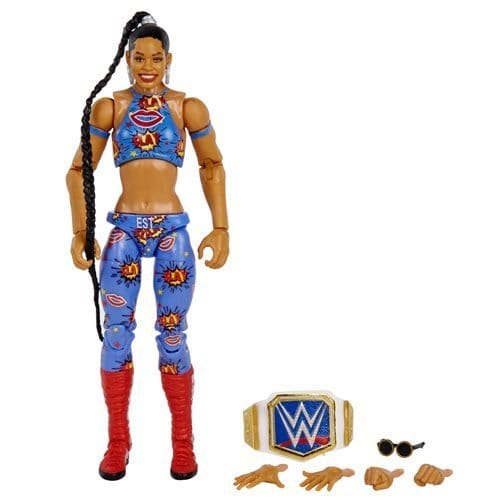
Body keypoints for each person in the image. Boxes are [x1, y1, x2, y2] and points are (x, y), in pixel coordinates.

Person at [66, 11, 229, 481]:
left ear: (168, 60)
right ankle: (118, 441)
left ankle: (183, 442)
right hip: (124, 230)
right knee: (116, 333)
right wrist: (80, 230)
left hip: (173, 229)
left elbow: (212, 165)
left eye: (156, 58)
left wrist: (221, 227)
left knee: (173, 333)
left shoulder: (187, 108)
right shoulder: (110, 108)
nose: (147, 66)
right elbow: (79, 170)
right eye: (139, 58)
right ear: (127, 59)